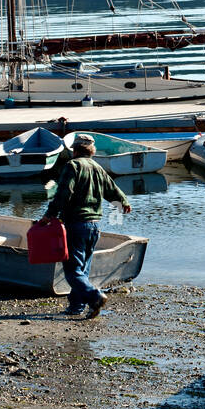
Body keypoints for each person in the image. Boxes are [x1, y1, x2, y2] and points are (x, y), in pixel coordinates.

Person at [36, 135, 131, 318]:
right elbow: (112, 190)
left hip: (76, 224)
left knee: (72, 271)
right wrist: (123, 202)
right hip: (94, 226)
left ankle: (94, 296)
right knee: (82, 270)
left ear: (74, 150)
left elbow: (63, 194)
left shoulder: (73, 166)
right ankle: (76, 307)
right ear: (92, 151)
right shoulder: (98, 168)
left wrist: (49, 216)